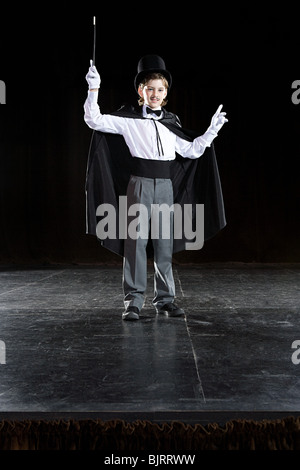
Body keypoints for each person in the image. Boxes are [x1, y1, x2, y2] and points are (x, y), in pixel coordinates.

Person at [84, 55, 228, 321]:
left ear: (165, 93)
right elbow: (94, 120)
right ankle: (133, 302)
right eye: (150, 88)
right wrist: (94, 88)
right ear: (141, 91)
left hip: (165, 186)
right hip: (139, 185)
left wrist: (211, 131)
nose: (155, 94)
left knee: (164, 244)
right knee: (135, 243)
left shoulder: (171, 122)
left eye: (160, 89)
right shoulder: (128, 120)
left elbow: (192, 151)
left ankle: (165, 299)